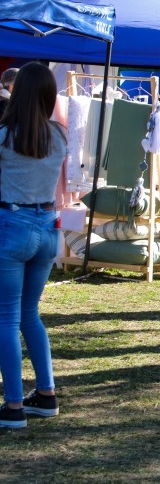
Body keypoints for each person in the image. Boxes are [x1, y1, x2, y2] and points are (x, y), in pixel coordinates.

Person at [0, 62, 65, 428]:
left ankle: (12, 406)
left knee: (6, 318)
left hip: (12, 224)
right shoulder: (59, 136)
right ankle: (46, 393)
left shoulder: (5, 135)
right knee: (30, 315)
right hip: (47, 225)